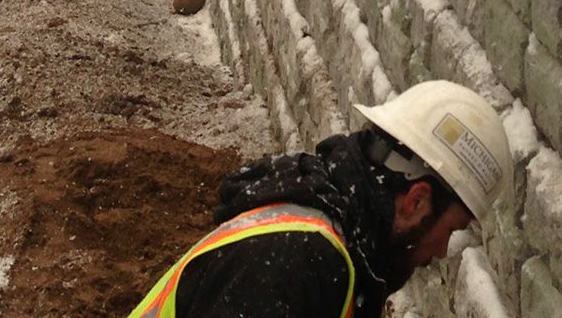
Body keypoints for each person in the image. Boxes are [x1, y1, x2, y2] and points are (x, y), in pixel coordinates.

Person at [126, 80, 513, 318]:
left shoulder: (335, 245)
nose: (443, 250)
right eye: (451, 229)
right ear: (417, 200)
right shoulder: (294, 263)